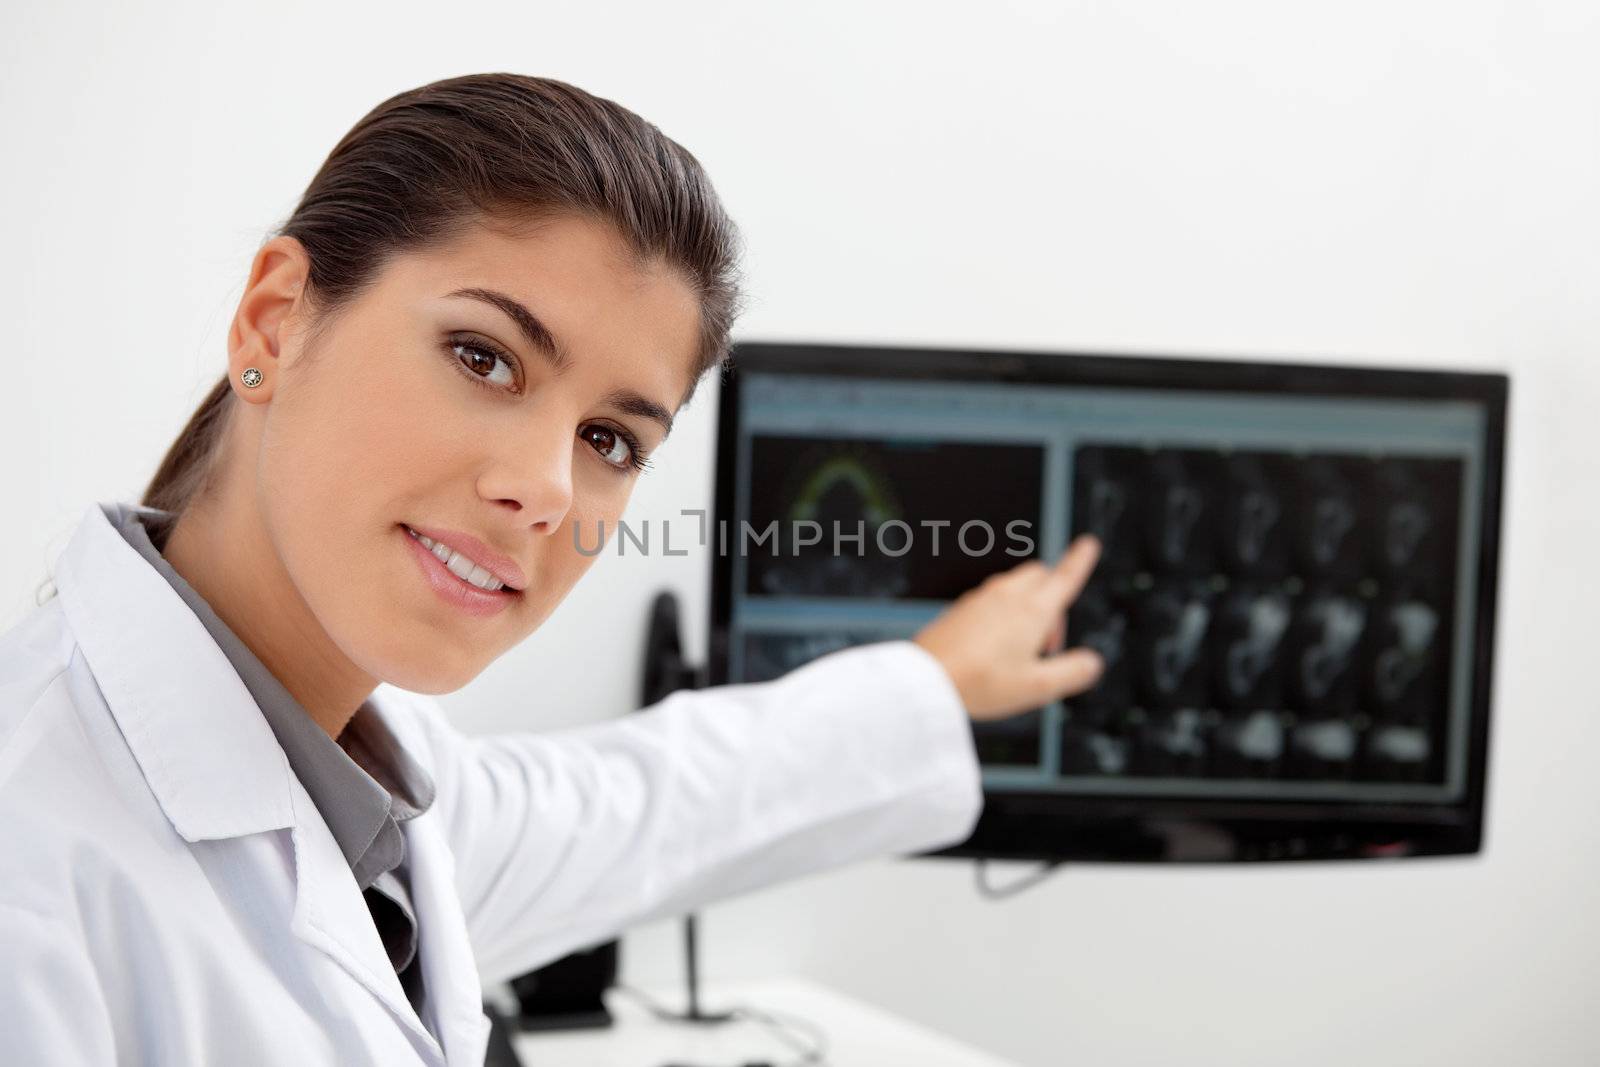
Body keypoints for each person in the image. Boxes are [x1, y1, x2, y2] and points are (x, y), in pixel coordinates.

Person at [0, 73, 1105, 1066]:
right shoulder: (34, 864)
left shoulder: (372, 798)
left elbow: (647, 804)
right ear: (277, 320)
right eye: (484, 358)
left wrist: (939, 682)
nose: (547, 488)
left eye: (610, 440)